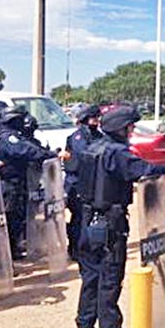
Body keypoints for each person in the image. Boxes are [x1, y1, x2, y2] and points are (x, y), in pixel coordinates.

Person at [75, 106, 165, 328]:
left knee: (91, 277)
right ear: (122, 128)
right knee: (109, 281)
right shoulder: (116, 152)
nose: (132, 131)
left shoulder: (91, 147)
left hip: (86, 219)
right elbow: (144, 169)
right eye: (130, 127)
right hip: (109, 223)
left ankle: (85, 325)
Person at [0, 105, 57, 260]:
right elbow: (26, 151)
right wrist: (49, 154)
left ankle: (13, 251)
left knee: (17, 219)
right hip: (9, 184)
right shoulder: (8, 137)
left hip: (17, 184)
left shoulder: (13, 135)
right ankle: (6, 256)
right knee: (10, 220)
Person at [64, 105, 103, 260]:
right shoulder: (78, 137)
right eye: (94, 117)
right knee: (79, 219)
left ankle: (88, 248)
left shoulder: (98, 136)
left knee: (89, 218)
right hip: (77, 184)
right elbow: (86, 155)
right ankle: (75, 250)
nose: (97, 121)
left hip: (92, 184)